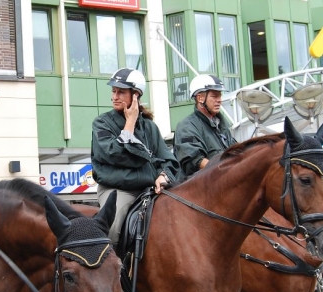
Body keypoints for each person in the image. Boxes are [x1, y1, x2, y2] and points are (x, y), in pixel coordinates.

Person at [91, 68, 180, 245]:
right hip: (118, 190)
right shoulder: (101, 123)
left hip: (150, 189)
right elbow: (114, 154)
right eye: (114, 91)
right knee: (113, 226)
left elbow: (169, 160)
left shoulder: (150, 127)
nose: (115, 96)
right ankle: (109, 269)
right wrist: (130, 122)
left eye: (121, 92)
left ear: (135, 96)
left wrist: (163, 176)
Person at [174, 74, 236, 178]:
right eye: (214, 96)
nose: (220, 100)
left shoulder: (222, 125)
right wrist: (224, 171)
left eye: (220, 95)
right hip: (199, 188)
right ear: (200, 98)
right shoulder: (186, 126)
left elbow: (236, 151)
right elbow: (195, 160)